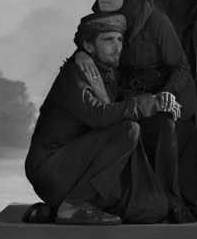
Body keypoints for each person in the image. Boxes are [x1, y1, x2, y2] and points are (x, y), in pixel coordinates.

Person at [72, 0, 197, 212]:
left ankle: (165, 202)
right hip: (125, 93)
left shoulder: (155, 20)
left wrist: (167, 93)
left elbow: (181, 66)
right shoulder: (99, 20)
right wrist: (82, 53)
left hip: (165, 89)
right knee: (94, 118)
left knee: (163, 120)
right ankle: (94, 198)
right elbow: (86, 40)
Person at [24, 14, 172, 226]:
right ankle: (72, 205)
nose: (117, 46)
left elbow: (121, 107)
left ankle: (57, 208)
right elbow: (98, 116)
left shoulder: (109, 75)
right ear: (88, 47)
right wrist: (149, 104)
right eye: (108, 40)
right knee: (128, 130)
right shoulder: (75, 72)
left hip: (80, 168)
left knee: (152, 208)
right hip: (51, 168)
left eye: (119, 40)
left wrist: (161, 101)